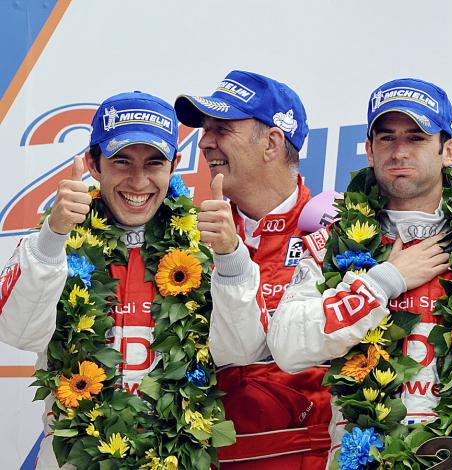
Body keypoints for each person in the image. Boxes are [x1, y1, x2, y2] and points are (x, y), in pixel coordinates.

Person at [268, 78, 452, 468]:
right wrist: (384, 281)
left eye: (416, 138)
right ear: (369, 150)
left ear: (448, 151)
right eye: (387, 138)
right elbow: (286, 347)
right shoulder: (334, 245)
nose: (399, 152)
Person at [0, 91, 263, 468]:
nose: (139, 181)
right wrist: (53, 237)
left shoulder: (206, 248)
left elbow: (241, 354)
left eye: (154, 163)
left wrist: (231, 258)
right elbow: (17, 332)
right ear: (94, 162)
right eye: (122, 161)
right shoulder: (53, 242)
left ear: (173, 165)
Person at [174, 70, 331, 469]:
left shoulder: (342, 229)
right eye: (206, 129)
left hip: (311, 455)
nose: (205, 141)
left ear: (272, 143)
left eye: (222, 128)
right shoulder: (185, 240)